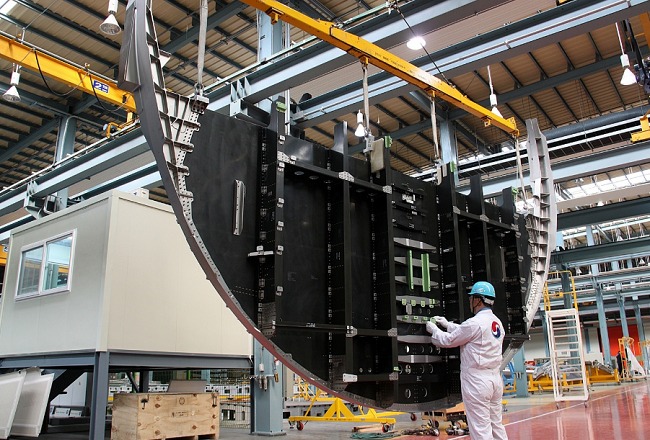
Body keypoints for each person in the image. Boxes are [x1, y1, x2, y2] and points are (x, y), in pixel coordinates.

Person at [426, 281, 508, 440]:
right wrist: (447, 324)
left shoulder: (475, 323)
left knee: (481, 429)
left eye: (471, 298)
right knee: (496, 425)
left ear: (478, 300)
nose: (470, 301)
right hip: (494, 380)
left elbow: (449, 340)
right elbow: (469, 333)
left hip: (477, 382)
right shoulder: (496, 323)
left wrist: (434, 330)